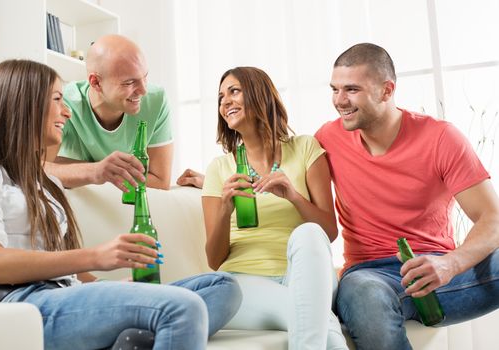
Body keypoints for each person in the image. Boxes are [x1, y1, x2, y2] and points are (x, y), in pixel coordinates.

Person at [0, 59, 241, 350]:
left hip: (65, 294)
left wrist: (111, 289)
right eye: (57, 99)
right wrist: (97, 256)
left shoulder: (41, 182)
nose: (66, 111)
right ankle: (142, 333)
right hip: (22, 302)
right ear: (24, 104)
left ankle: (135, 338)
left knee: (223, 287)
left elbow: (68, 273)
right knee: (183, 308)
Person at [314, 43, 499, 349]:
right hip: (370, 276)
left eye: (351, 89)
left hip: (439, 271)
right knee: (365, 295)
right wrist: (209, 180)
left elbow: (492, 218)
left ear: (387, 91)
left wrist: (449, 265)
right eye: (334, 89)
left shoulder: (441, 138)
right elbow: (275, 156)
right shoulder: (328, 138)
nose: (339, 101)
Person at [202, 66, 348, 349]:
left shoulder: (306, 148)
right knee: (319, 319)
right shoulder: (219, 169)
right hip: (244, 281)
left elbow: (328, 232)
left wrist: (293, 195)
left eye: (234, 91)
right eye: (221, 97)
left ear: (259, 94)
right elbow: (214, 259)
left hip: (306, 274)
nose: (225, 102)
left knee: (308, 233)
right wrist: (224, 210)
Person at [44, 34, 173, 191]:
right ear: (96, 82)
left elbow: (160, 180)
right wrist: (98, 171)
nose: (143, 91)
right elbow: (39, 168)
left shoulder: (156, 99)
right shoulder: (64, 103)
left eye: (145, 77)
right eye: (129, 82)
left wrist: (80, 170)